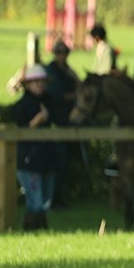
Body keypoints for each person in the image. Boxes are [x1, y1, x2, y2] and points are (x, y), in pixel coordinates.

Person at [12, 64, 60, 230]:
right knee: (35, 200)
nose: (39, 84)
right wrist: (36, 122)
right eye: (35, 81)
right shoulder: (22, 106)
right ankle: (32, 229)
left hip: (47, 158)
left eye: (42, 81)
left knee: (46, 200)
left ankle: (40, 229)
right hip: (29, 160)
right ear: (28, 84)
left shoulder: (50, 102)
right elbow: (19, 131)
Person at [45, 40, 80, 207]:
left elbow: (79, 86)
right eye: (59, 53)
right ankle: (54, 198)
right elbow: (57, 95)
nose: (62, 56)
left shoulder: (67, 71)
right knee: (59, 162)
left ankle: (58, 197)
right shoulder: (51, 70)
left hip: (67, 122)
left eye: (64, 53)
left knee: (64, 162)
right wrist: (76, 96)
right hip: (56, 123)